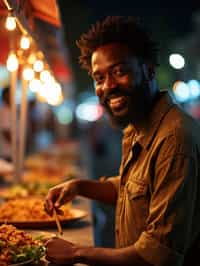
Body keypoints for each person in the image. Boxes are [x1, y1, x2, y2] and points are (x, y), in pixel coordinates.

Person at [44, 16, 200, 266]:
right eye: (99, 78)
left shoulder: (175, 139)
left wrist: (76, 253)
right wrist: (78, 186)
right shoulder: (136, 127)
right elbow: (131, 189)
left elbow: (157, 254)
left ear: (148, 70)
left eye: (119, 71)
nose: (108, 86)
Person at [0, 87, 12, 162]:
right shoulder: (4, 111)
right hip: (7, 151)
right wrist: (17, 144)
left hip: (10, 150)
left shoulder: (10, 109)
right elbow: (6, 131)